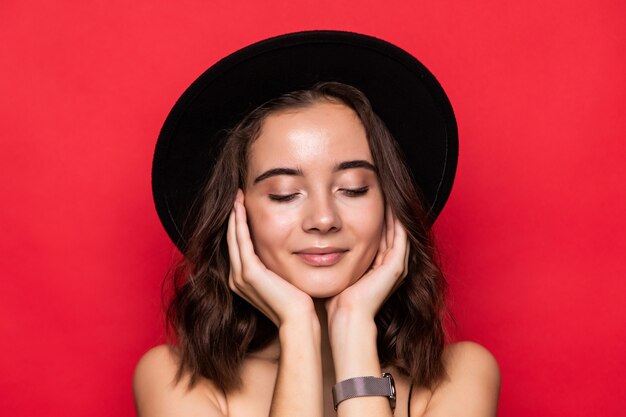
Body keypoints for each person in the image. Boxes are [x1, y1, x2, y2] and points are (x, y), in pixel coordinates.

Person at [134, 31, 501, 417]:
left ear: (390, 206)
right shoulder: (175, 379)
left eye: (354, 189)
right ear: (236, 216)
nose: (324, 219)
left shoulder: (459, 376)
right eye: (284, 193)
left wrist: (354, 328)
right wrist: (297, 328)